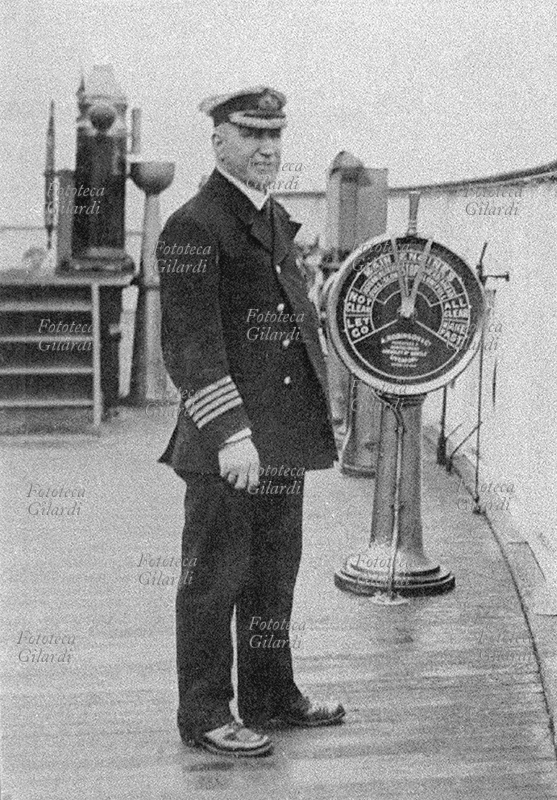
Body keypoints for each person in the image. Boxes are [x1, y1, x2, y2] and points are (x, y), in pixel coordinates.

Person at [157, 86, 344, 758]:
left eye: (274, 135)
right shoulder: (194, 225)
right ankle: (205, 712)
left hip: (281, 440)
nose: (267, 148)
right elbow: (189, 345)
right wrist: (232, 434)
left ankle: (270, 694)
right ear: (218, 140)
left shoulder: (270, 218)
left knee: (272, 575)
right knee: (213, 580)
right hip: (229, 445)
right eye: (251, 134)